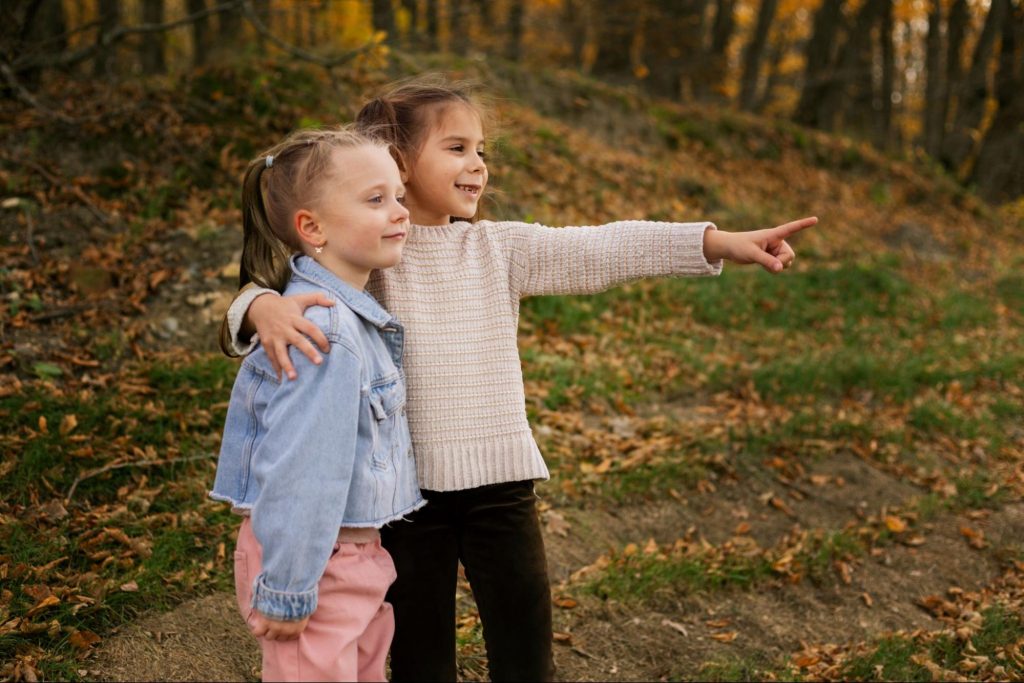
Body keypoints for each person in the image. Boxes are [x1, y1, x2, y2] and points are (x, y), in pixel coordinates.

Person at [221, 76, 817, 682]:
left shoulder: (498, 249)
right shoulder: (371, 255)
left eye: (481, 150)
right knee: (421, 656)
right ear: (396, 160)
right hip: (405, 501)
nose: (477, 165)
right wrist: (257, 307)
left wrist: (716, 241)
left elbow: (605, 249)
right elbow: (289, 285)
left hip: (501, 489)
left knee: (526, 649)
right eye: (456, 148)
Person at [210, 126, 423, 682]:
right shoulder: (322, 334)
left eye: (399, 195)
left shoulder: (347, 316)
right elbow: (302, 469)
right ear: (312, 227)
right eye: (376, 200)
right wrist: (288, 586)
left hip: (353, 556)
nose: (400, 211)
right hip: (316, 561)